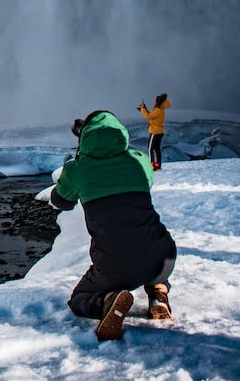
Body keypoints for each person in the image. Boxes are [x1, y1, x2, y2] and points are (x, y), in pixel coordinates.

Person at [50, 110, 177, 341]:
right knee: (146, 245)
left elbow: (61, 202)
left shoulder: (78, 170)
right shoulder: (139, 161)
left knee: (79, 299)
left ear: (84, 136)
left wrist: (77, 170)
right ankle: (159, 295)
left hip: (115, 265)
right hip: (163, 256)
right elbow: (144, 182)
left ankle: (108, 301)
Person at [139, 93, 171, 171]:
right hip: (159, 131)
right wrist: (144, 109)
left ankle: (151, 165)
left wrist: (143, 109)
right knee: (157, 148)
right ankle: (158, 164)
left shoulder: (158, 110)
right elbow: (152, 117)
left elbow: (149, 116)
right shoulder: (161, 109)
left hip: (155, 131)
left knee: (150, 148)